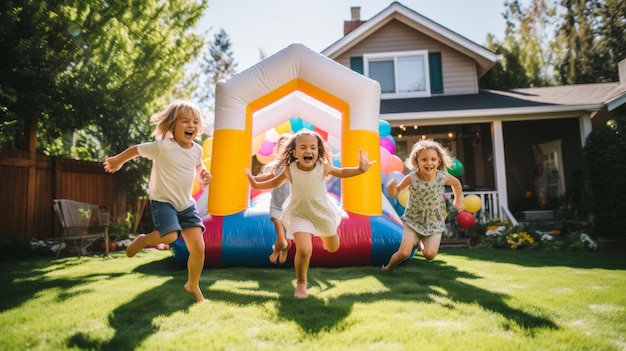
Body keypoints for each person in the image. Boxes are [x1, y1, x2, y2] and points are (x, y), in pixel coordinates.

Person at [103, 100, 211, 302]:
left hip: (186, 204)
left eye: (195, 122)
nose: (191, 126)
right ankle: (144, 240)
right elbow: (136, 149)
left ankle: (192, 284)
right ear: (172, 124)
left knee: (199, 248)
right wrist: (118, 160)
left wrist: (203, 174)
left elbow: (197, 167)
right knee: (169, 236)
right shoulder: (162, 147)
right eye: (185, 121)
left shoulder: (197, 150)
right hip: (163, 201)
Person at [246, 130, 374, 299]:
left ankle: (324, 233)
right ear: (295, 152)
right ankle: (301, 283)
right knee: (305, 250)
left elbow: (342, 172)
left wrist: (360, 169)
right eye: (303, 147)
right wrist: (254, 182)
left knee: (333, 248)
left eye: (313, 147)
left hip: (321, 213)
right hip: (300, 213)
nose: (309, 151)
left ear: (318, 151)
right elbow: (273, 182)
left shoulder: (322, 166)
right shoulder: (290, 169)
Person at [382, 139, 466, 271]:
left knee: (430, 255)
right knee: (404, 253)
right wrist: (392, 189)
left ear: (439, 161)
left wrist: (458, 201)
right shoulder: (411, 178)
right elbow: (396, 192)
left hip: (434, 221)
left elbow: (456, 183)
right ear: (416, 162)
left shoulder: (442, 177)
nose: (429, 163)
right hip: (413, 220)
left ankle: (419, 242)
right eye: (424, 159)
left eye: (433, 159)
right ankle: (388, 268)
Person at [254, 134, 291, 264]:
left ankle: (281, 250)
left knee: (288, 239)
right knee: (282, 238)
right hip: (276, 205)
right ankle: (277, 248)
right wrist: (251, 178)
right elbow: (264, 177)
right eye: (281, 146)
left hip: (291, 207)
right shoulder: (275, 165)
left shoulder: (295, 166)